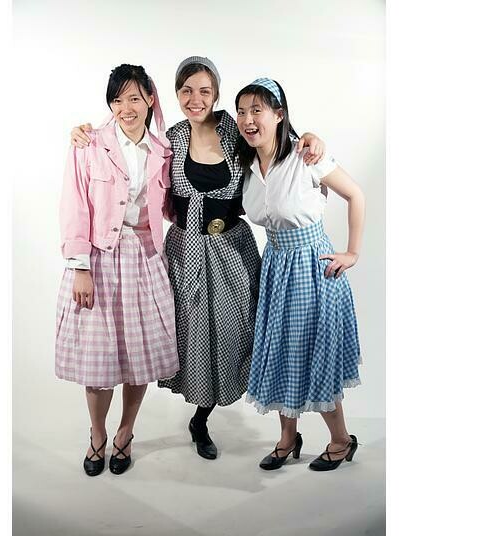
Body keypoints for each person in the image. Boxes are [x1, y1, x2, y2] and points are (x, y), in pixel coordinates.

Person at [70, 57, 326, 461]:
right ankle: (195, 421)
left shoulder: (235, 131)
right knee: (190, 336)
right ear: (173, 95)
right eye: (186, 90)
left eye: (205, 90)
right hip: (183, 250)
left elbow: (273, 137)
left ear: (217, 94)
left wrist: (308, 137)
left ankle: (242, 422)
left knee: (237, 333)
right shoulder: (169, 140)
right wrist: (84, 131)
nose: (195, 99)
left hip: (232, 251)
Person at [235, 78, 365, 472]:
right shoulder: (246, 165)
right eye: (242, 111)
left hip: (312, 267)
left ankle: (341, 440)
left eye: (257, 110)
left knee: (314, 353)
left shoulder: (305, 155)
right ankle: (288, 438)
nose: (248, 119)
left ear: (278, 115)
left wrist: (352, 252)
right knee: (278, 351)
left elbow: (355, 194)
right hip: (276, 265)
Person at [56, 64, 179, 477]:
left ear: (150, 99)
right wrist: (80, 267)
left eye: (134, 98)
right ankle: (97, 434)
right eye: (117, 99)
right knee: (98, 362)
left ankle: (125, 432)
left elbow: (167, 207)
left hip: (145, 258)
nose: (126, 107)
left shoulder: (162, 151)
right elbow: (74, 205)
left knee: (137, 356)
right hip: (99, 259)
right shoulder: (89, 143)